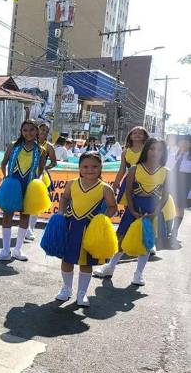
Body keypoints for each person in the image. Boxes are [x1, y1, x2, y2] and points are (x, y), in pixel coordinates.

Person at [94, 138, 170, 286]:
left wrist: (155, 211)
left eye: (160, 150)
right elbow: (128, 192)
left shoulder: (166, 172)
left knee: (146, 241)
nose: (155, 152)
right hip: (134, 207)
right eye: (152, 149)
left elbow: (165, 195)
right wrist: (133, 210)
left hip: (152, 210)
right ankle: (110, 267)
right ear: (146, 150)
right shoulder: (135, 168)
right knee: (122, 238)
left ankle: (139, 273)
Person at [54, 152, 118, 307]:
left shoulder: (105, 188)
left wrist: (102, 220)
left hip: (90, 229)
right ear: (79, 167)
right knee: (67, 259)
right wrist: (61, 212)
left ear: (101, 167)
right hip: (71, 226)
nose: (90, 169)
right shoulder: (72, 183)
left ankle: (81, 293)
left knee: (86, 262)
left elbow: (112, 207)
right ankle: (66, 288)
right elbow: (65, 198)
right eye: (85, 166)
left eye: (94, 166)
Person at [0, 119, 47, 262]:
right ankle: (5, 250)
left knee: (25, 215)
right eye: (25, 130)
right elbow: (3, 163)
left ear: (37, 131)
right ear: (21, 132)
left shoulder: (41, 150)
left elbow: (40, 170)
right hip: (12, 185)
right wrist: (7, 179)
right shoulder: (13, 146)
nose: (28, 133)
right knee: (7, 215)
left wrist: (37, 184)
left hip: (28, 186)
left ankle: (18, 249)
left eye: (31, 130)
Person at [26, 122, 57, 242]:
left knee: (36, 203)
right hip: (28, 174)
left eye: (45, 131)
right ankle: (26, 227)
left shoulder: (49, 146)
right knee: (27, 201)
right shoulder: (30, 143)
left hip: (41, 176)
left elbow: (54, 162)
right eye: (41, 130)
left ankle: (31, 229)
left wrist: (45, 168)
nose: (42, 133)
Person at [113, 126, 149, 205]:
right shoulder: (125, 152)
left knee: (143, 205)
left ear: (145, 136)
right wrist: (116, 183)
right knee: (128, 204)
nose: (137, 135)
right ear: (130, 136)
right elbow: (122, 170)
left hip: (145, 182)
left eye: (140, 133)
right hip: (129, 182)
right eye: (135, 133)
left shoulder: (148, 151)